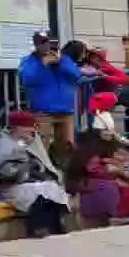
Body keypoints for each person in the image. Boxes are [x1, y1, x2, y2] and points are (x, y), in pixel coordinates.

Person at [0, 110, 70, 237]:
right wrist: (28, 169)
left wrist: (43, 173)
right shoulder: (6, 143)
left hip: (34, 181)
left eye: (31, 128)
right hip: (12, 185)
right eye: (26, 128)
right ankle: (38, 228)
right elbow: (5, 173)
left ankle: (56, 226)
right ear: (16, 128)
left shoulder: (34, 140)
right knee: (38, 193)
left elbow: (44, 163)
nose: (30, 131)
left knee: (51, 188)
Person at [19, 31, 82, 161]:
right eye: (43, 42)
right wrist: (43, 64)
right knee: (42, 147)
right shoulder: (29, 61)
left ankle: (64, 175)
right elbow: (27, 79)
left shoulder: (64, 59)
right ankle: (43, 173)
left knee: (66, 147)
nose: (48, 46)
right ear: (36, 45)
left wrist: (60, 63)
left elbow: (76, 75)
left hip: (66, 111)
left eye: (50, 42)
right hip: (43, 112)